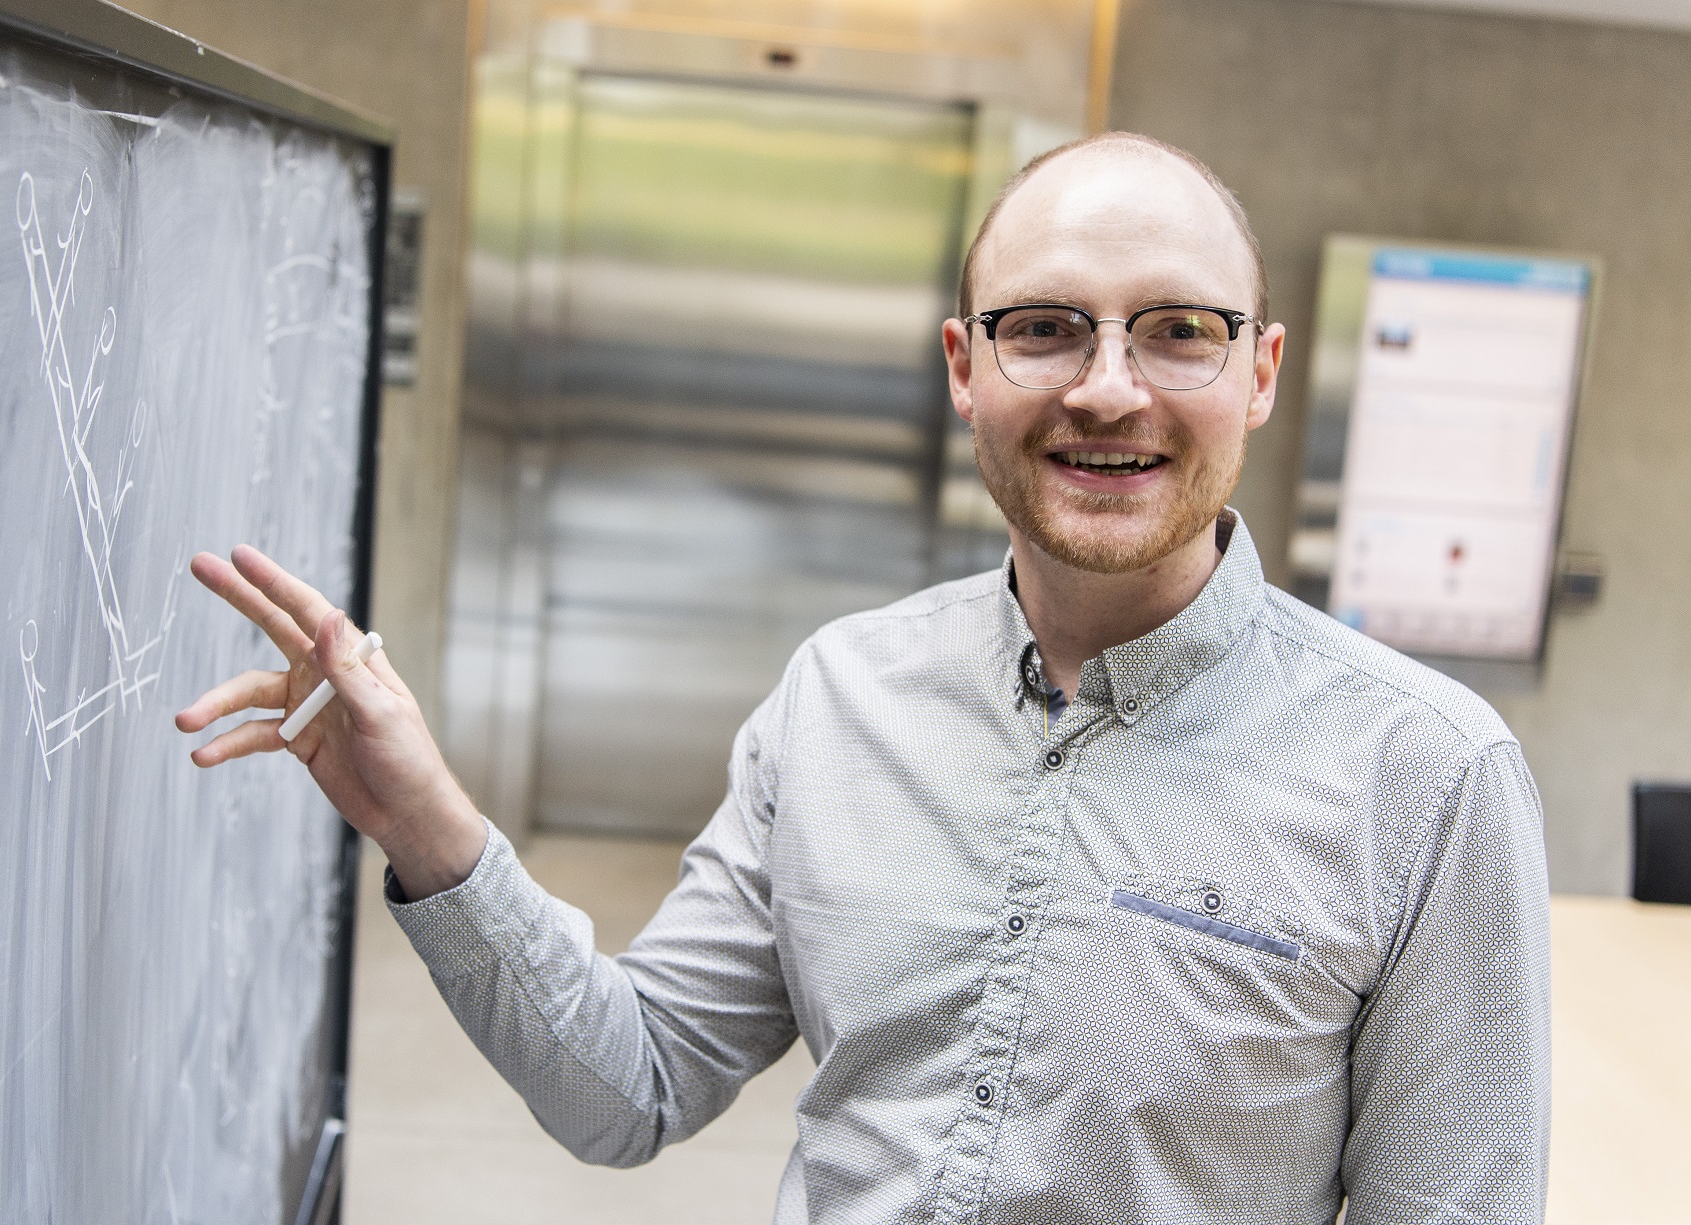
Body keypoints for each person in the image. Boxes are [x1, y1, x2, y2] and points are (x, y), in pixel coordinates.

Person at [175, 132, 1550, 1224]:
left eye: (1180, 329)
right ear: (966, 367)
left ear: (1259, 371)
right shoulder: (841, 695)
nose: (1110, 388)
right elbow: (631, 1085)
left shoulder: (1426, 777)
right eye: (1048, 325)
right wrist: (429, 823)